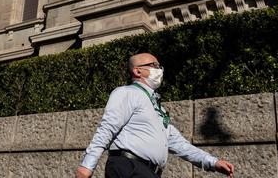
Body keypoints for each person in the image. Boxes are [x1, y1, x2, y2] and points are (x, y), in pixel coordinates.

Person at [75, 53, 235, 178]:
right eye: (153, 65)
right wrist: (87, 165)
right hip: (128, 167)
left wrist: (213, 162)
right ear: (137, 71)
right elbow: (107, 128)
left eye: (159, 65)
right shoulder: (127, 93)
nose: (159, 69)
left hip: (148, 172)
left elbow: (179, 144)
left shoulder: (158, 109)